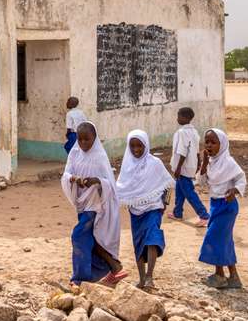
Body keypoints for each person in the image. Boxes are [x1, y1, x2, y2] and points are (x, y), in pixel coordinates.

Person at [61, 121, 127, 287]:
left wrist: (96, 181)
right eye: (80, 139)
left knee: (78, 235)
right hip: (82, 203)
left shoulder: (99, 156)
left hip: (96, 205)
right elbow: (66, 174)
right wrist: (74, 179)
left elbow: (109, 184)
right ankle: (113, 266)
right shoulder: (74, 153)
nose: (83, 143)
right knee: (92, 239)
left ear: (94, 138)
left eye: (87, 139)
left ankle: (79, 278)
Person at [116, 129, 174, 290]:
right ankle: (142, 279)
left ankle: (149, 276)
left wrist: (164, 203)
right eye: (132, 146)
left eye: (139, 146)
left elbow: (168, 184)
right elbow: (121, 188)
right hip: (135, 212)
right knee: (139, 243)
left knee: (152, 239)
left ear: (146, 145)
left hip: (153, 208)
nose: (136, 149)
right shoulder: (127, 166)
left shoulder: (155, 163)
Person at [197, 128, 247, 289]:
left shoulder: (229, 162)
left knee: (214, 238)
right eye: (207, 142)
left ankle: (219, 275)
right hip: (215, 204)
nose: (209, 145)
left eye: (213, 142)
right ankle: (233, 277)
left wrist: (235, 190)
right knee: (225, 240)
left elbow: (241, 179)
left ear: (222, 144)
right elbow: (201, 182)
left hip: (227, 206)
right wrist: (204, 163)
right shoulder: (210, 163)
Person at [169, 107, 210, 226]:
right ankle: (177, 213)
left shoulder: (182, 132)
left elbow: (182, 151)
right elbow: (196, 150)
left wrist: (178, 168)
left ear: (186, 118)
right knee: (179, 189)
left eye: (179, 116)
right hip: (191, 165)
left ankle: (204, 215)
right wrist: (198, 163)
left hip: (183, 167)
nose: (177, 118)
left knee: (188, 192)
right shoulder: (194, 132)